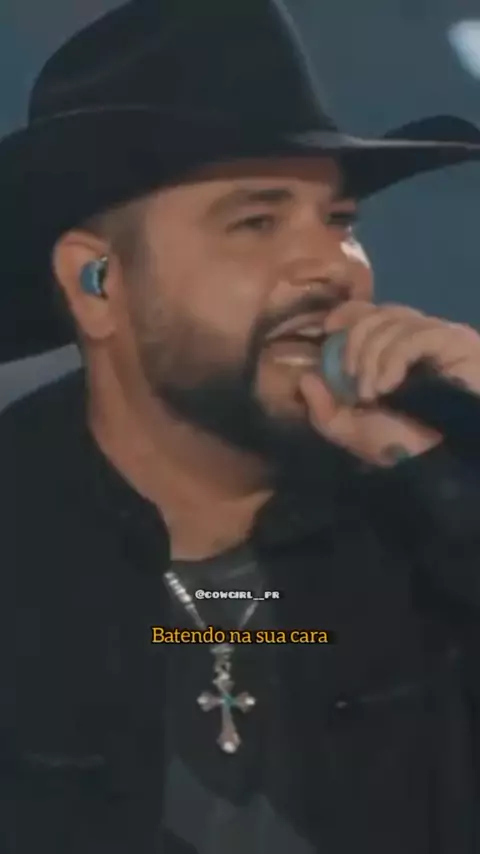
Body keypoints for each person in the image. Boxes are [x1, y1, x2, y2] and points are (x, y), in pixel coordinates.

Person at [2, 1, 480, 852]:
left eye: (339, 222)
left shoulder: (426, 506)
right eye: (256, 221)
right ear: (96, 283)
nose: (331, 267)